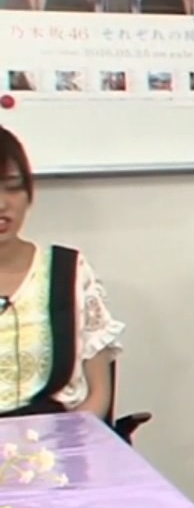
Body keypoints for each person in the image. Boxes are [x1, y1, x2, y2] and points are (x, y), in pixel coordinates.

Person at [0, 126, 123, 420]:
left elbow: (98, 394)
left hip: (54, 438)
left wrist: (69, 440)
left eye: (13, 187)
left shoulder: (67, 273)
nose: (2, 204)